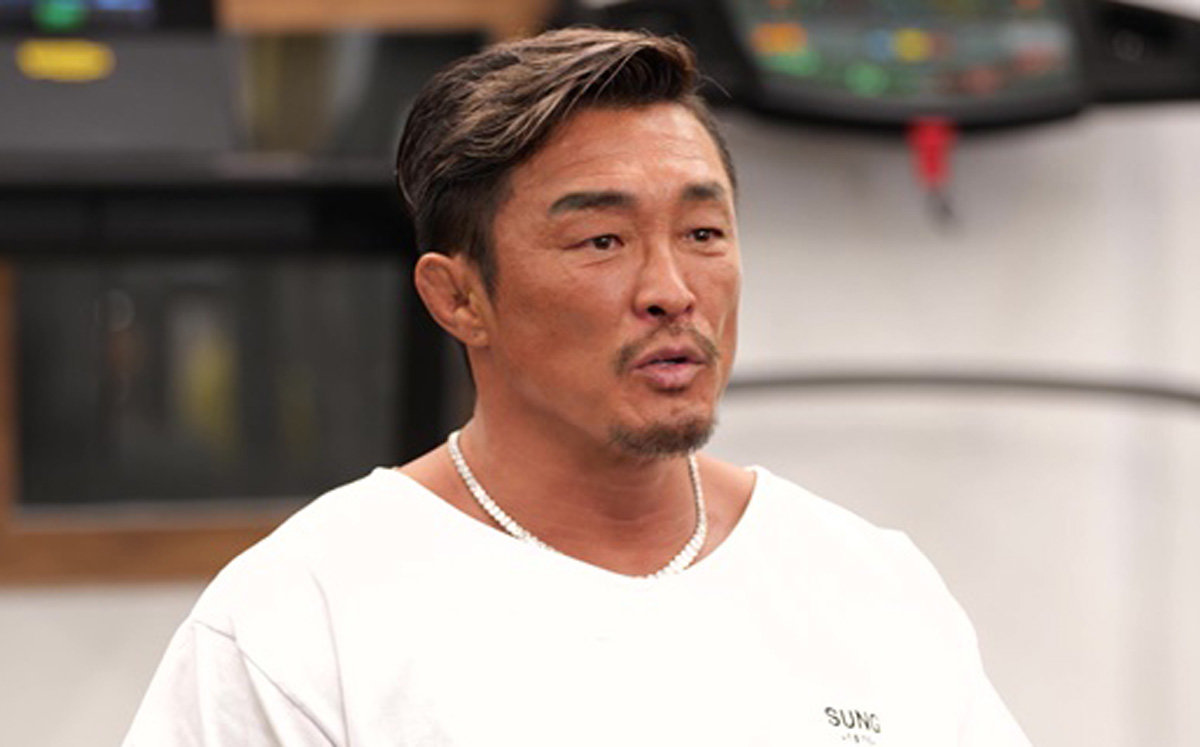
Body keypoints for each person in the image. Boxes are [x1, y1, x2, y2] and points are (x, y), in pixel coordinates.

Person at [124, 27, 1031, 746]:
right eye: (602, 240)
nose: (672, 290)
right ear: (459, 297)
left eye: (703, 234)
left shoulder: (867, 584)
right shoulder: (302, 619)